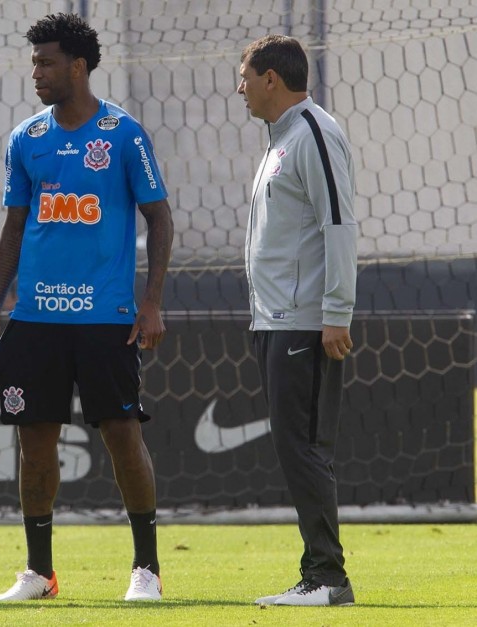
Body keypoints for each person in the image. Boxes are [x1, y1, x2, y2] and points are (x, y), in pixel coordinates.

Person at [0, 13, 174, 603]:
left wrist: (152, 302)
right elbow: (14, 227)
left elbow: (158, 217)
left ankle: (148, 569)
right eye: (34, 61)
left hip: (105, 316)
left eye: (46, 62)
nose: (36, 72)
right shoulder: (26, 138)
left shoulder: (123, 134)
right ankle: (40, 572)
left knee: (121, 434)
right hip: (34, 318)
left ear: (78, 67)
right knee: (34, 444)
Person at [237, 34, 357, 607]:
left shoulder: (313, 132)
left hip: (306, 320)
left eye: (245, 75)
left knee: (305, 445)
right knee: (296, 445)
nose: (239, 87)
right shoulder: (279, 140)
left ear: (270, 80)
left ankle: (328, 579)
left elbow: (340, 225)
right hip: (275, 320)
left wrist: (336, 313)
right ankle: (319, 574)